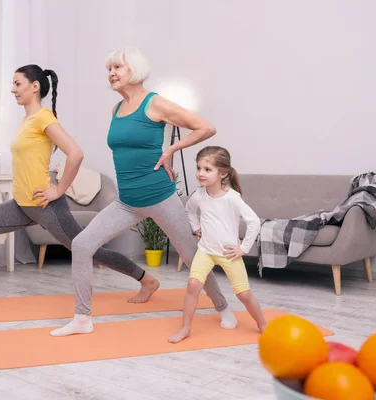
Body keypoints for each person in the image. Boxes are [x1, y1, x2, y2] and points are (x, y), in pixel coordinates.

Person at [0, 64, 157, 317]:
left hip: (45, 206)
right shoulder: (27, 120)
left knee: (90, 251)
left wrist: (58, 190)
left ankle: (146, 280)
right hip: (23, 205)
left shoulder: (43, 117)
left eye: (17, 84)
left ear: (34, 87)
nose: (12, 89)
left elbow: (75, 154)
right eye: (13, 84)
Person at [49, 47, 237, 337]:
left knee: (190, 256)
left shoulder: (155, 103)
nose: (111, 73)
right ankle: (82, 319)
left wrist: (172, 148)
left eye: (117, 68)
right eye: (109, 68)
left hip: (160, 198)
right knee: (83, 244)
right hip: (126, 201)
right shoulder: (116, 110)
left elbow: (205, 127)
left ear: (134, 71)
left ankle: (223, 306)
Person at [168, 146, 267, 343]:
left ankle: (263, 325)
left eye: (207, 169)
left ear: (223, 173)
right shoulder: (199, 195)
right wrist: (196, 228)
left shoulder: (232, 198)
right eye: (198, 168)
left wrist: (243, 248)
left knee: (244, 295)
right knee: (193, 285)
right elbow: (189, 210)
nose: (200, 173)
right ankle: (186, 328)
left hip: (228, 254)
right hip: (205, 251)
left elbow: (254, 221)